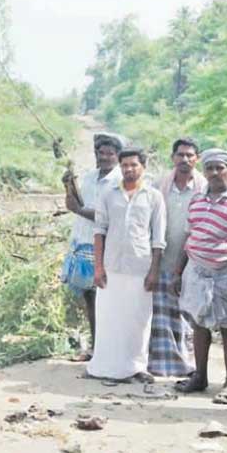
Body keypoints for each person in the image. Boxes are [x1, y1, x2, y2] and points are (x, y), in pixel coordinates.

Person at [173, 149, 227, 404]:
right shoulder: (197, 200)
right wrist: (178, 272)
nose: (215, 173)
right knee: (199, 325)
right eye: (210, 168)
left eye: (220, 168)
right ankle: (200, 377)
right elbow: (190, 238)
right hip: (196, 270)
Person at [86, 146, 165, 383]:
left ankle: (135, 368)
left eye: (134, 165)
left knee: (138, 319)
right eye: (125, 165)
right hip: (111, 266)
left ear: (143, 166)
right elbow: (99, 231)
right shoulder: (109, 194)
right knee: (109, 317)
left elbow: (159, 239)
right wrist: (98, 267)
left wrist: (154, 271)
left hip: (141, 267)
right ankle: (103, 366)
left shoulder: (153, 196)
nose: (129, 169)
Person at [60, 132, 123, 361]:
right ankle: (97, 348)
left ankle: (106, 350)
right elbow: (72, 204)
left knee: (104, 300)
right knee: (88, 298)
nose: (104, 157)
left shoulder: (119, 181)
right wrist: (68, 186)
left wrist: (78, 210)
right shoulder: (88, 177)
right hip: (82, 241)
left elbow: (108, 216)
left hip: (104, 246)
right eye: (101, 153)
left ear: (117, 156)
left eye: (110, 153)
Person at [148, 137, 206, 377]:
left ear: (197, 159)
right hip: (162, 259)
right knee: (162, 316)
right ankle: (161, 366)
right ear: (173, 158)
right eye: (180, 155)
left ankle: (187, 364)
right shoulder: (159, 185)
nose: (185, 159)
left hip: (194, 263)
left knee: (188, 315)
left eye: (190, 155)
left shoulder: (205, 186)